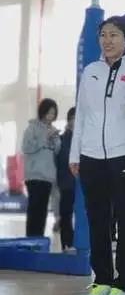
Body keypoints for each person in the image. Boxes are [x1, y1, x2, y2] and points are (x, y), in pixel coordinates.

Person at [70, 14, 125, 295]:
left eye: (114, 35)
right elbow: (82, 115)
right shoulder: (91, 71)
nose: (107, 40)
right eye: (103, 34)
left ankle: (123, 283)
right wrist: (75, 153)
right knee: (97, 219)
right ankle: (102, 279)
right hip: (91, 156)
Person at [22, 98, 60, 237]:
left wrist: (55, 139)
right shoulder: (32, 128)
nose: (51, 116)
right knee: (34, 209)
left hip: (48, 177)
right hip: (34, 176)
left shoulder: (53, 130)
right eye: (49, 113)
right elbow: (26, 147)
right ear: (42, 112)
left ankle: (39, 240)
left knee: (43, 211)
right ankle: (30, 239)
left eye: (53, 114)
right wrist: (45, 138)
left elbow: (57, 151)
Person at [56, 107, 77, 252]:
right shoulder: (62, 139)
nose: (75, 121)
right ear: (69, 120)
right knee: (66, 213)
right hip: (66, 183)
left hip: (81, 184)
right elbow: (61, 160)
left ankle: (79, 242)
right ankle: (67, 243)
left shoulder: (85, 139)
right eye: (73, 118)